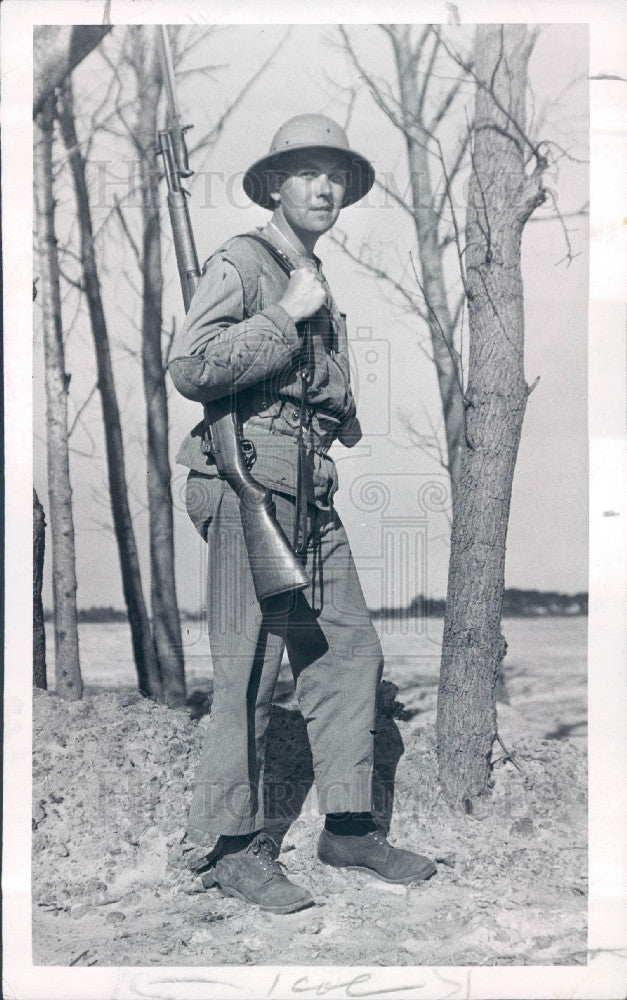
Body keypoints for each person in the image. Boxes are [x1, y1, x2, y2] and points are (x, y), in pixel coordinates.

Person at [168, 114, 437, 914]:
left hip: (307, 491)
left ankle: (348, 829)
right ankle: (228, 848)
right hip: (248, 481)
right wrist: (285, 315)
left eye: (335, 177)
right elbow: (191, 366)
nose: (324, 187)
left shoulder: (307, 271)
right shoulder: (248, 265)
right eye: (306, 173)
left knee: (349, 654)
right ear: (274, 186)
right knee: (247, 668)